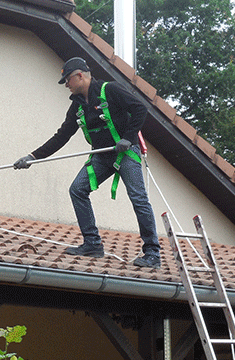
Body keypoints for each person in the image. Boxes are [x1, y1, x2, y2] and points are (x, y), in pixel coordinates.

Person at [14, 57, 161, 268]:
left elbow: (140, 108)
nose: (66, 85)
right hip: (101, 156)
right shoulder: (77, 106)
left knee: (138, 198)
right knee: (78, 189)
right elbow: (62, 135)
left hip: (125, 153)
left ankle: (152, 253)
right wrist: (33, 157)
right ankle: (92, 244)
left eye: (67, 80)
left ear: (79, 76)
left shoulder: (110, 90)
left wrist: (128, 138)